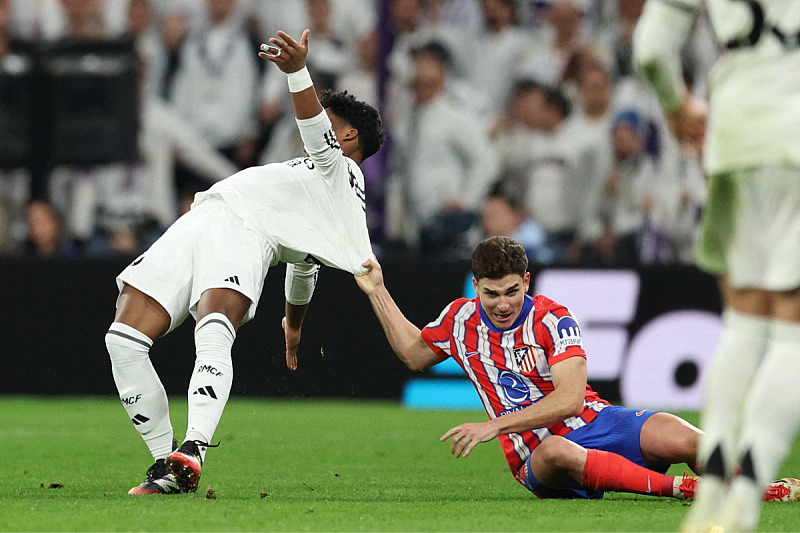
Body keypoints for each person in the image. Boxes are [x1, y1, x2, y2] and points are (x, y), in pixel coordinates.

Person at [107, 28, 384, 495]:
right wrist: (293, 326)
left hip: (243, 232)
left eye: (327, 120)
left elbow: (317, 139)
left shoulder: (342, 170)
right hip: (202, 217)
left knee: (213, 326)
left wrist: (297, 73)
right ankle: (166, 464)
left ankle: (193, 448)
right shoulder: (315, 188)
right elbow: (305, 266)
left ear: (348, 135)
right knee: (124, 341)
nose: (313, 127)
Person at [354, 236, 800, 502]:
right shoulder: (458, 320)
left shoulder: (552, 318)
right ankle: (684, 491)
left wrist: (495, 426)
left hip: (596, 421)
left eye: (512, 290)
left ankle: (755, 489)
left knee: (685, 435)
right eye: (492, 294)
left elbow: (570, 398)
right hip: (537, 457)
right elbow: (414, 353)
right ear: (476, 288)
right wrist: (377, 291)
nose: (503, 303)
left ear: (526, 281)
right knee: (555, 452)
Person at [634, 2, 800, 531]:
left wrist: (677, 105)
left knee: (745, 322)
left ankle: (712, 489)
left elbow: (651, 49)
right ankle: (747, 495)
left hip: (735, 125)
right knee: (792, 333)